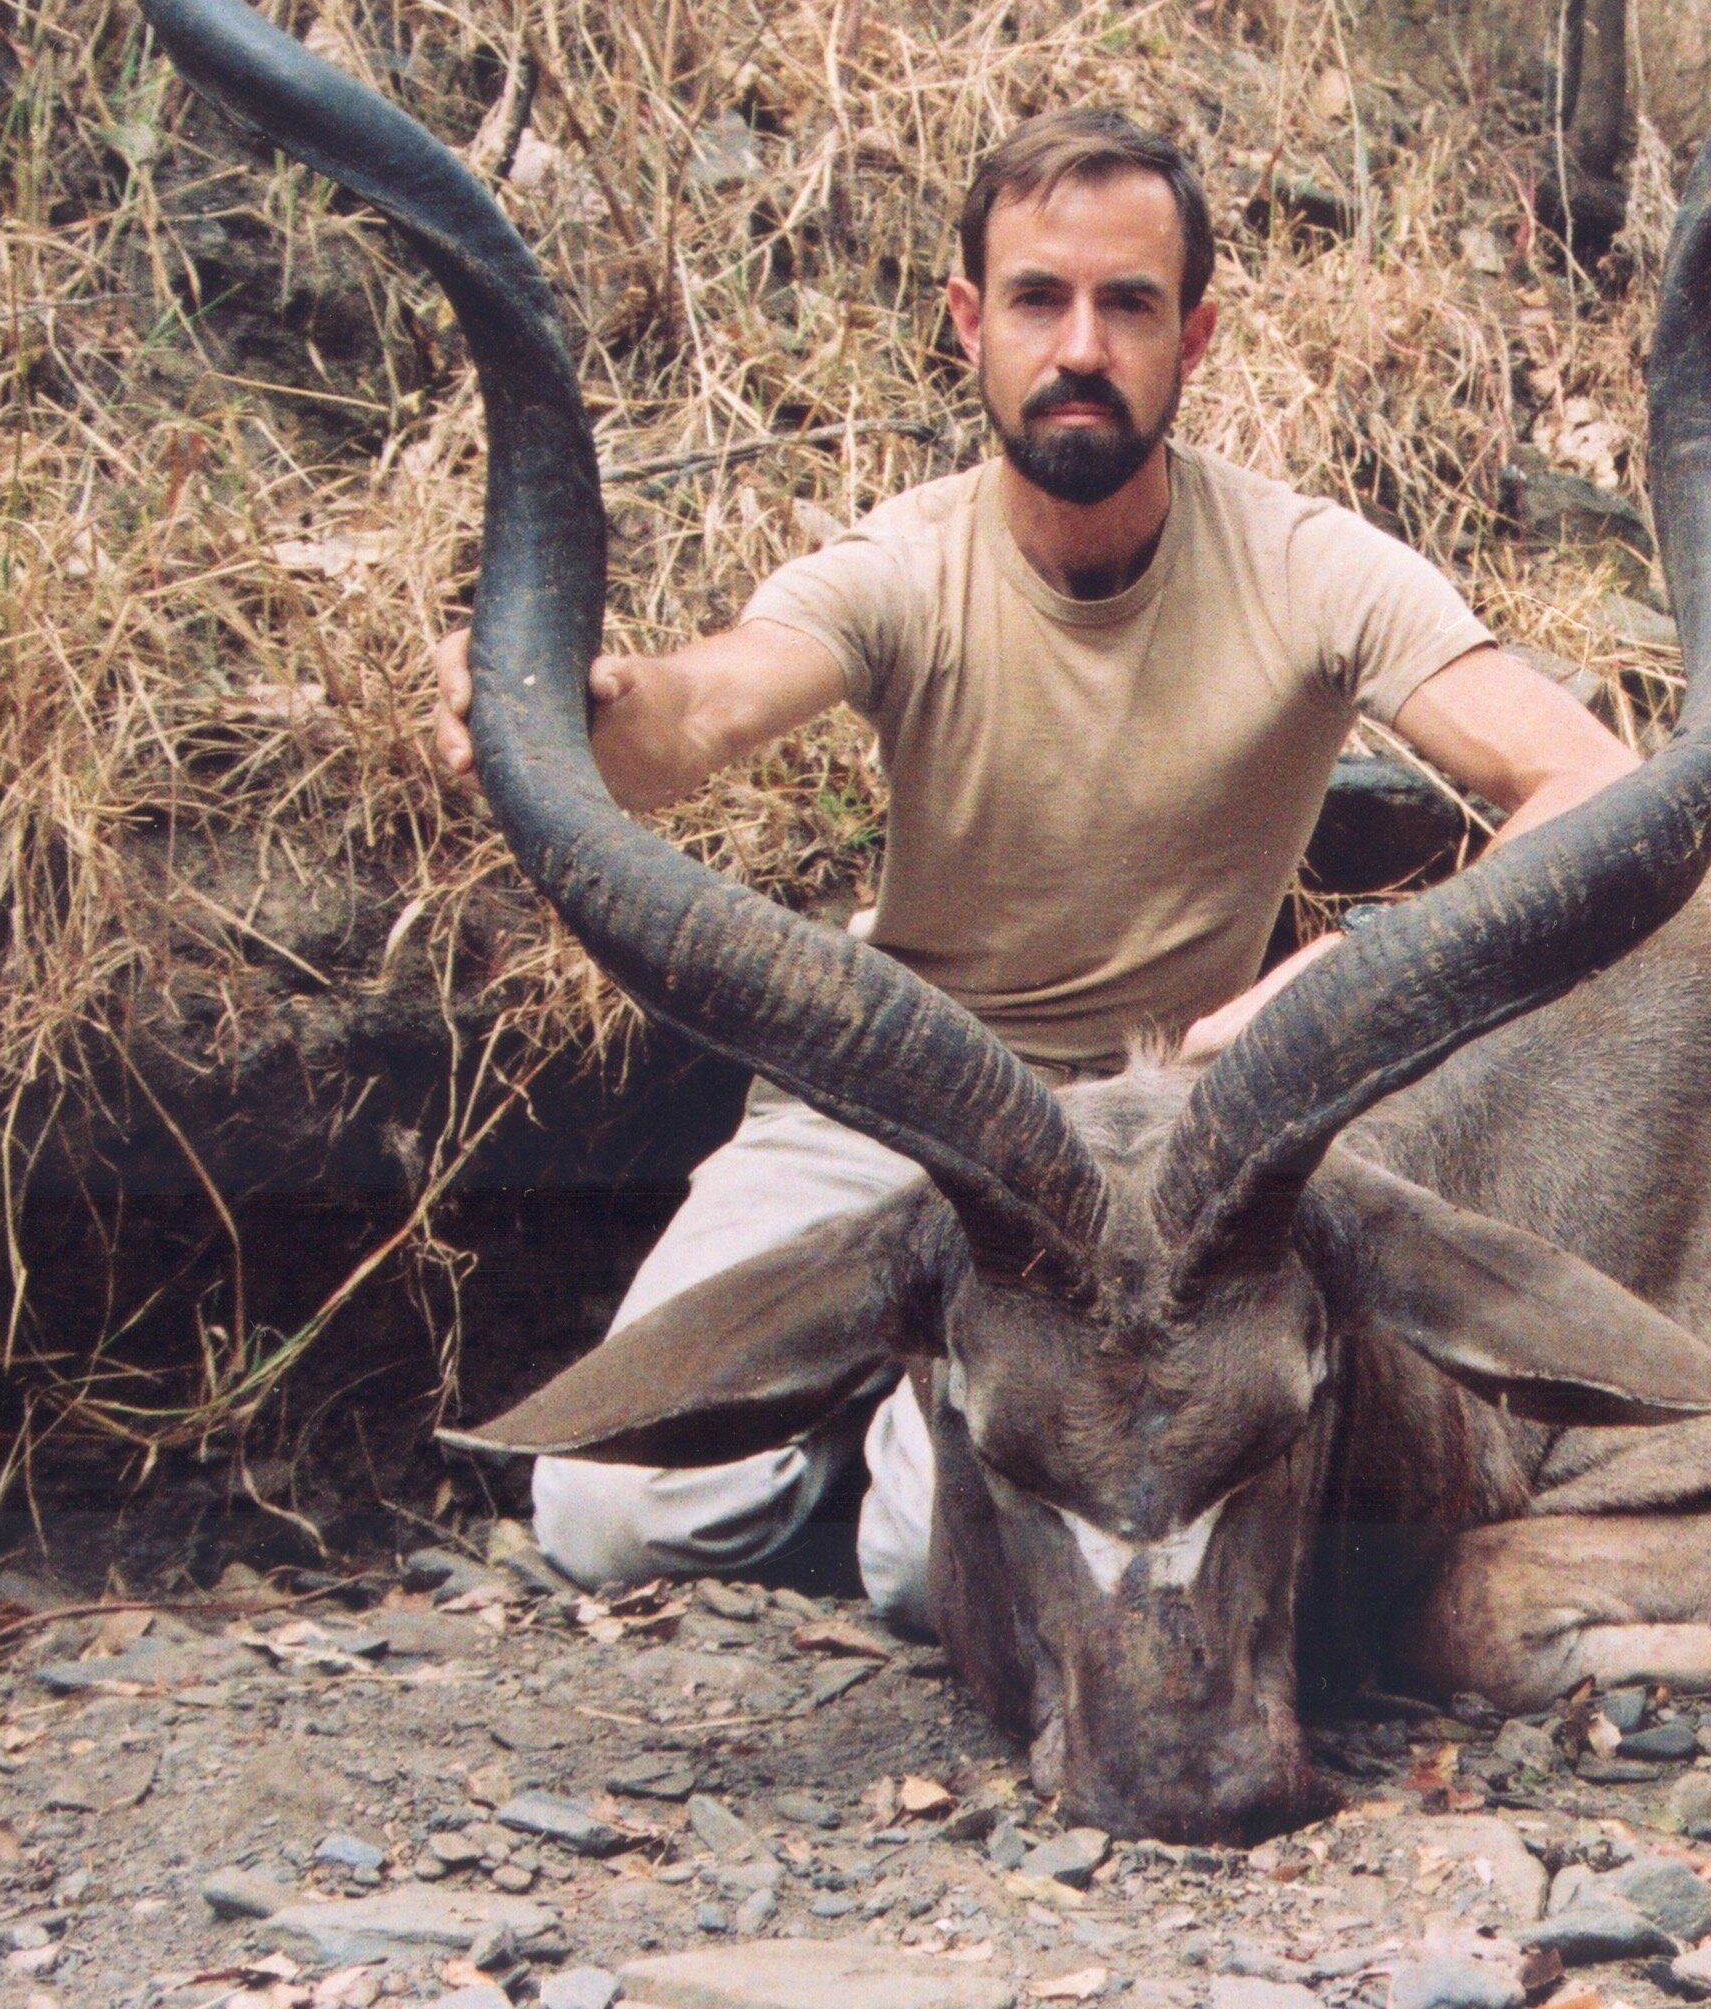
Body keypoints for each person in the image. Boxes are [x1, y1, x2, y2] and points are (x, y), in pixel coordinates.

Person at [427, 107, 1635, 1620]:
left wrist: (1347, 970)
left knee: (944, 1573)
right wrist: (569, 713)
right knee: (605, 1513)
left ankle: (903, 1452)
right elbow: (692, 713)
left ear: (1193, 338)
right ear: (968, 326)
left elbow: (1588, 776)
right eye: (1036, 300)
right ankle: (894, 1415)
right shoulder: (902, 563)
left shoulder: (1314, 564)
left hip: (1150, 1151)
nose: (1080, 346)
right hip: (889, 1096)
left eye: (1127, 304)